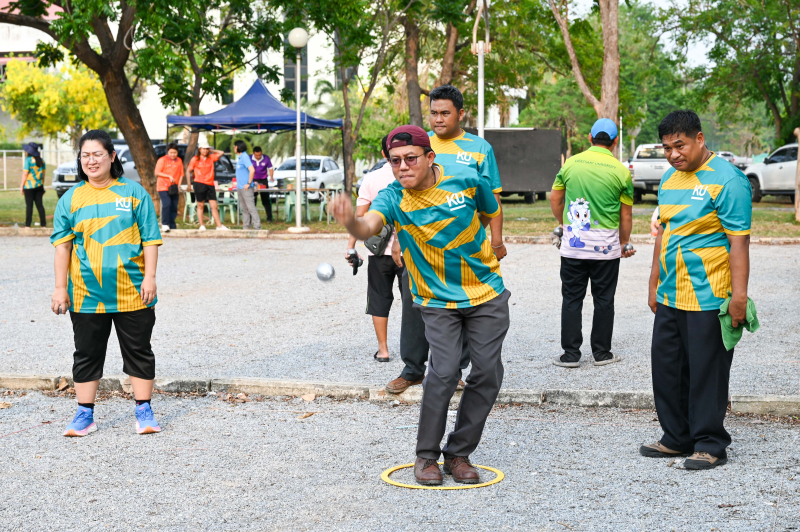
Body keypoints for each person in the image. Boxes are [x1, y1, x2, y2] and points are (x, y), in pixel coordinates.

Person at [331, 125, 510, 486]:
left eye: (410, 159)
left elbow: (491, 209)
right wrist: (350, 220)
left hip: (485, 292)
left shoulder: (466, 178)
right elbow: (369, 226)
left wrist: (494, 241)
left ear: (430, 157)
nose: (402, 167)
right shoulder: (393, 196)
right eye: (395, 161)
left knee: (489, 373)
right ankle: (426, 455)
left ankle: (458, 454)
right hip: (436, 299)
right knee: (443, 372)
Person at [640, 110, 751, 470]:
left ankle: (710, 443)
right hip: (671, 293)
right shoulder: (669, 179)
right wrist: (654, 282)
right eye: (667, 148)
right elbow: (663, 233)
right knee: (667, 369)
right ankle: (676, 437)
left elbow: (739, 243)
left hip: (709, 295)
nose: (673, 154)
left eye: (680, 145)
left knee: (707, 371)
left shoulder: (729, 180)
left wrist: (738, 297)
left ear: (699, 139)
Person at [50, 129, 163, 437]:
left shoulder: (134, 193)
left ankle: (144, 410)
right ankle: (84, 415)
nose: (91, 160)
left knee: (139, 350)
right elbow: (62, 247)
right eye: (85, 155)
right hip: (86, 293)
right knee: (86, 353)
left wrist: (150, 278)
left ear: (112, 156)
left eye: (97, 154)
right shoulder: (71, 199)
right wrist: (60, 288)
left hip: (133, 291)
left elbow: (150, 239)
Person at [549, 118, 635, 368]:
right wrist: (624, 242)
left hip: (573, 248)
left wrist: (563, 223)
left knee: (571, 299)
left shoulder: (571, 164)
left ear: (590, 138)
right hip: (606, 250)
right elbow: (626, 215)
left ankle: (570, 355)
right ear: (615, 141)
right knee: (604, 300)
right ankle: (602, 353)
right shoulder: (621, 171)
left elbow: (555, 199)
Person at [427, 84, 506, 260]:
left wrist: (497, 241)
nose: (438, 119)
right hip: (424, 242)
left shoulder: (480, 148)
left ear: (460, 114)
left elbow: (492, 197)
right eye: (434, 113)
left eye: (445, 113)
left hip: (466, 244)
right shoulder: (420, 144)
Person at [347, 136, 402, 363]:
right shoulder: (414, 174)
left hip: (378, 253)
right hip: (409, 251)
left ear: (382, 154)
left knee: (379, 299)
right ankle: (418, 351)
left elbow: (360, 217)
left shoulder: (371, 178)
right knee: (415, 302)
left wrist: (350, 247)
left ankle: (383, 350)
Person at [186, 138, 228, 231]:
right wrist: (189, 184)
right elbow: (188, 171)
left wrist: (211, 150)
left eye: (206, 149)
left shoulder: (211, 157)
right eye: (203, 149)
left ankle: (219, 226)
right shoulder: (195, 159)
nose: (205, 150)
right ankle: (201, 225)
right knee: (200, 205)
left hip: (210, 184)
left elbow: (221, 152)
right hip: (199, 183)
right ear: (199, 149)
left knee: (214, 206)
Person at [155, 142, 183, 232]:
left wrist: (179, 186)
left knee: (174, 206)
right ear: (168, 152)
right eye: (171, 152)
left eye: (175, 153)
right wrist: (168, 176)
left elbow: (181, 174)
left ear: (177, 152)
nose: (173, 154)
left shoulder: (179, 161)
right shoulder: (162, 160)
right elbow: (157, 172)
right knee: (167, 204)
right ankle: (165, 224)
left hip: (174, 187)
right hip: (163, 186)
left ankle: (172, 224)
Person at [234, 140, 260, 230]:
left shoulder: (244, 156)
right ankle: (246, 227)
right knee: (244, 209)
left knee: (251, 208)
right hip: (240, 187)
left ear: (237, 147)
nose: (234, 148)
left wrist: (248, 183)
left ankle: (257, 227)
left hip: (246, 188)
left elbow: (252, 170)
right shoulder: (240, 157)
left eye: (234, 146)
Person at [20, 142, 46, 228]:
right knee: (40, 205)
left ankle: (28, 225)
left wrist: (21, 186)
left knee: (29, 206)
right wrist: (42, 185)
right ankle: (43, 224)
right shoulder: (42, 161)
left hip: (29, 186)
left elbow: (25, 174)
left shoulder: (28, 160)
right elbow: (43, 175)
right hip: (39, 185)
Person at [251, 146, 275, 222]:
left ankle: (269, 218)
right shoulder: (249, 158)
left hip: (263, 181)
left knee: (266, 200)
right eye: (256, 155)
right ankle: (251, 219)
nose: (258, 157)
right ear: (253, 153)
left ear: (262, 153)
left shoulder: (266, 158)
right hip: (253, 181)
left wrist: (271, 177)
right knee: (252, 199)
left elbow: (270, 168)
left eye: (260, 155)